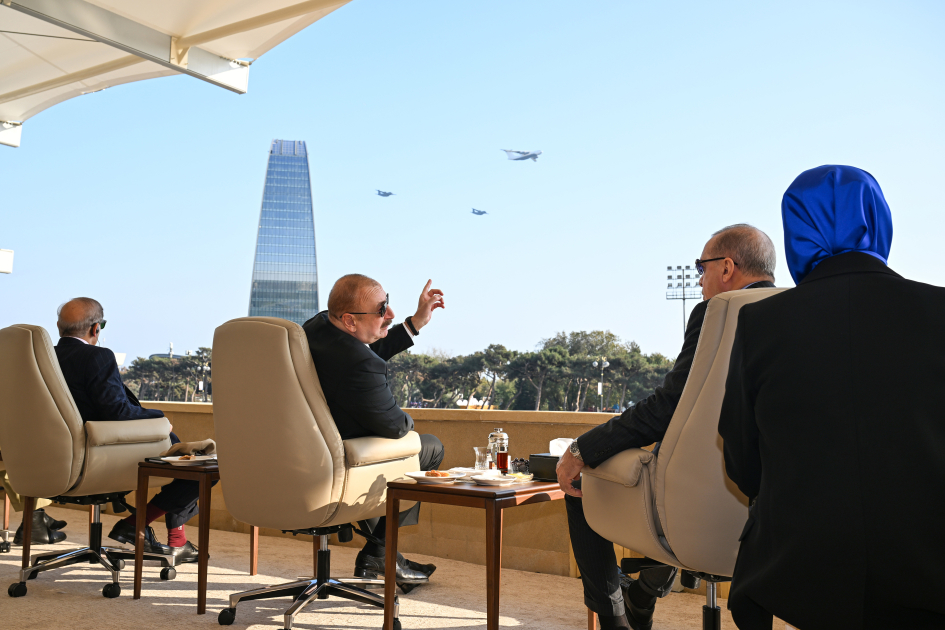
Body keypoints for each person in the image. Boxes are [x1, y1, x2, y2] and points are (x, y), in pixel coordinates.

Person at [719, 166, 945, 630]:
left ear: (796, 230)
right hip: (928, 568)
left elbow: (742, 462)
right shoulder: (938, 312)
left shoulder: (762, 324)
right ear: (879, 220)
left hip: (798, 571)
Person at [557, 225, 777, 630]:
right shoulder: (795, 309)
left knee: (582, 481)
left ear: (727, 267)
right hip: (774, 517)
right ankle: (642, 594)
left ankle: (615, 621)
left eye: (702, 267)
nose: (698, 278)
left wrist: (581, 449)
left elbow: (666, 407)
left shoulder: (719, 310)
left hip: (699, 512)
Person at [303, 275, 446, 586]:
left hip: (300, 459)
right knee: (429, 447)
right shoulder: (359, 364)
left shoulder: (316, 328)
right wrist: (408, 420)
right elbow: (394, 426)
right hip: (337, 467)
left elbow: (364, 350)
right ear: (350, 321)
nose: (391, 313)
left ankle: (381, 554)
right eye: (382, 310)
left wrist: (415, 323)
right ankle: (379, 553)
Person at [53, 297, 205, 564]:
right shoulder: (97, 356)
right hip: (98, 458)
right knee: (200, 467)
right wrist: (158, 418)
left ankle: (172, 537)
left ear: (58, 327)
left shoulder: (42, 360)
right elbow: (116, 412)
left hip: (53, 460)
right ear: (96, 328)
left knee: (181, 452)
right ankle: (140, 524)